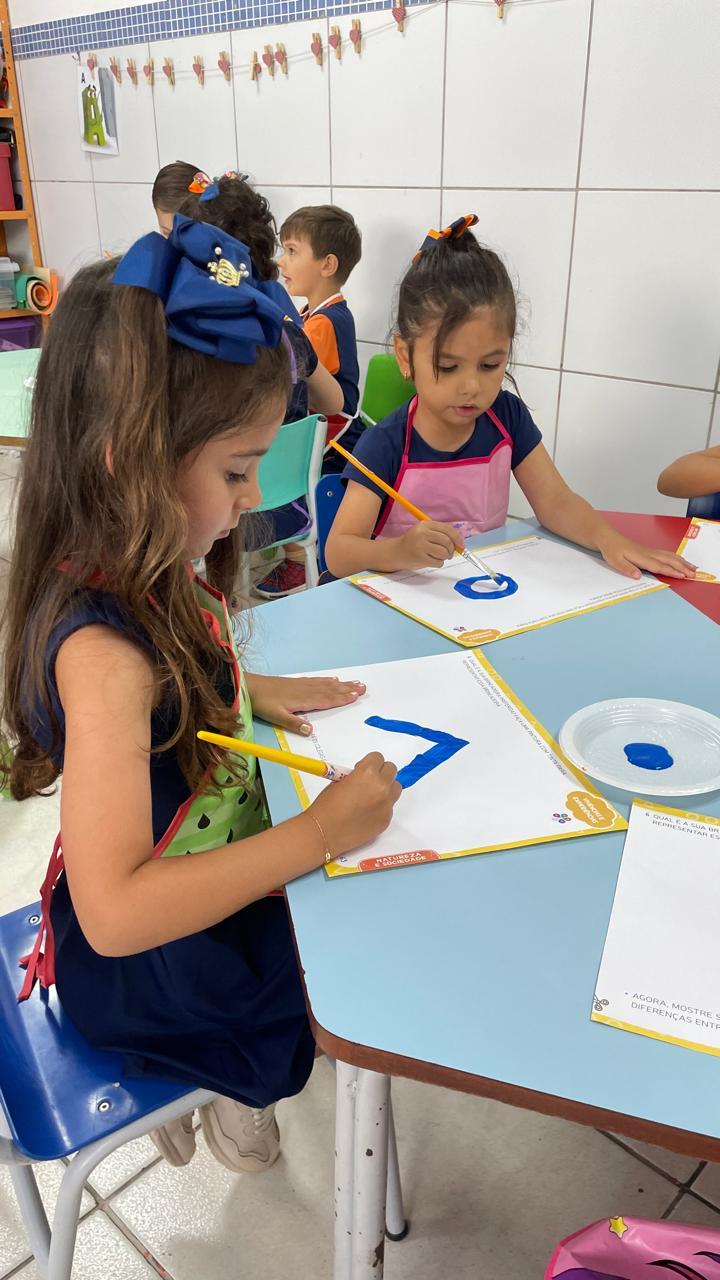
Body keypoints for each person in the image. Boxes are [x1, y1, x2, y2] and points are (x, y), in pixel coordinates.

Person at [0, 218, 400, 1174]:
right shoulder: (102, 659)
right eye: (235, 470)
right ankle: (194, 1073)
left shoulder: (140, 551)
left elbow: (179, 674)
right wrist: (321, 833)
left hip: (186, 875)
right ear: (130, 459)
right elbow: (116, 914)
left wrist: (247, 692)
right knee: (326, 973)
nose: (253, 494)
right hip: (145, 962)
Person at [325, 215, 696, 584]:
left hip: (485, 593)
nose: (472, 386)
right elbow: (339, 553)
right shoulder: (386, 443)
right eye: (448, 366)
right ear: (405, 357)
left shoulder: (506, 417)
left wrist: (609, 540)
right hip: (403, 602)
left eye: (490, 365)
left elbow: (555, 502)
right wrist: (400, 551)